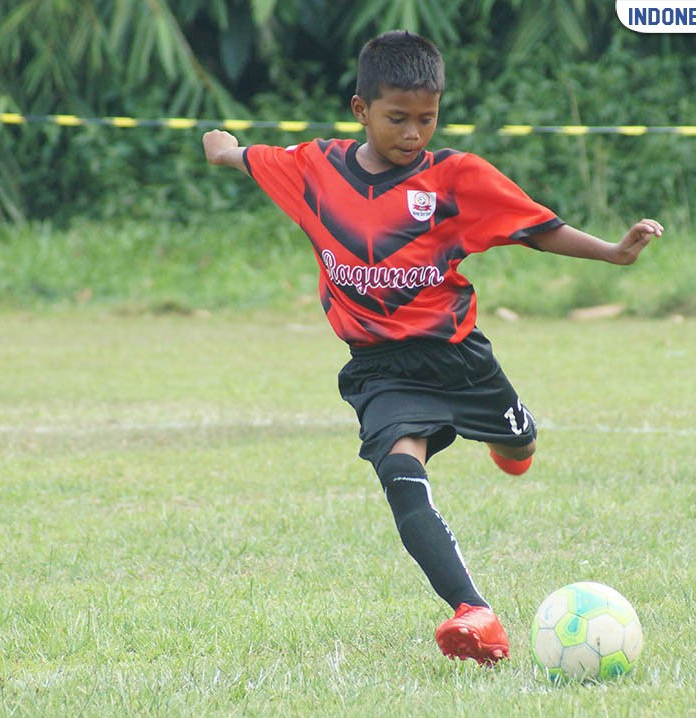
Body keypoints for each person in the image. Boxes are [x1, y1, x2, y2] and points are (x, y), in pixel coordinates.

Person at [203, 30, 663, 666]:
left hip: (459, 359)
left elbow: (539, 228)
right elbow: (247, 157)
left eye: (427, 118)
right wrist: (223, 149)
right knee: (399, 471)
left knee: (520, 441)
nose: (414, 133)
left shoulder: (456, 179)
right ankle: (474, 613)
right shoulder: (315, 169)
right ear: (361, 109)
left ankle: (514, 442)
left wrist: (612, 252)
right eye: (398, 118)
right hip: (379, 367)